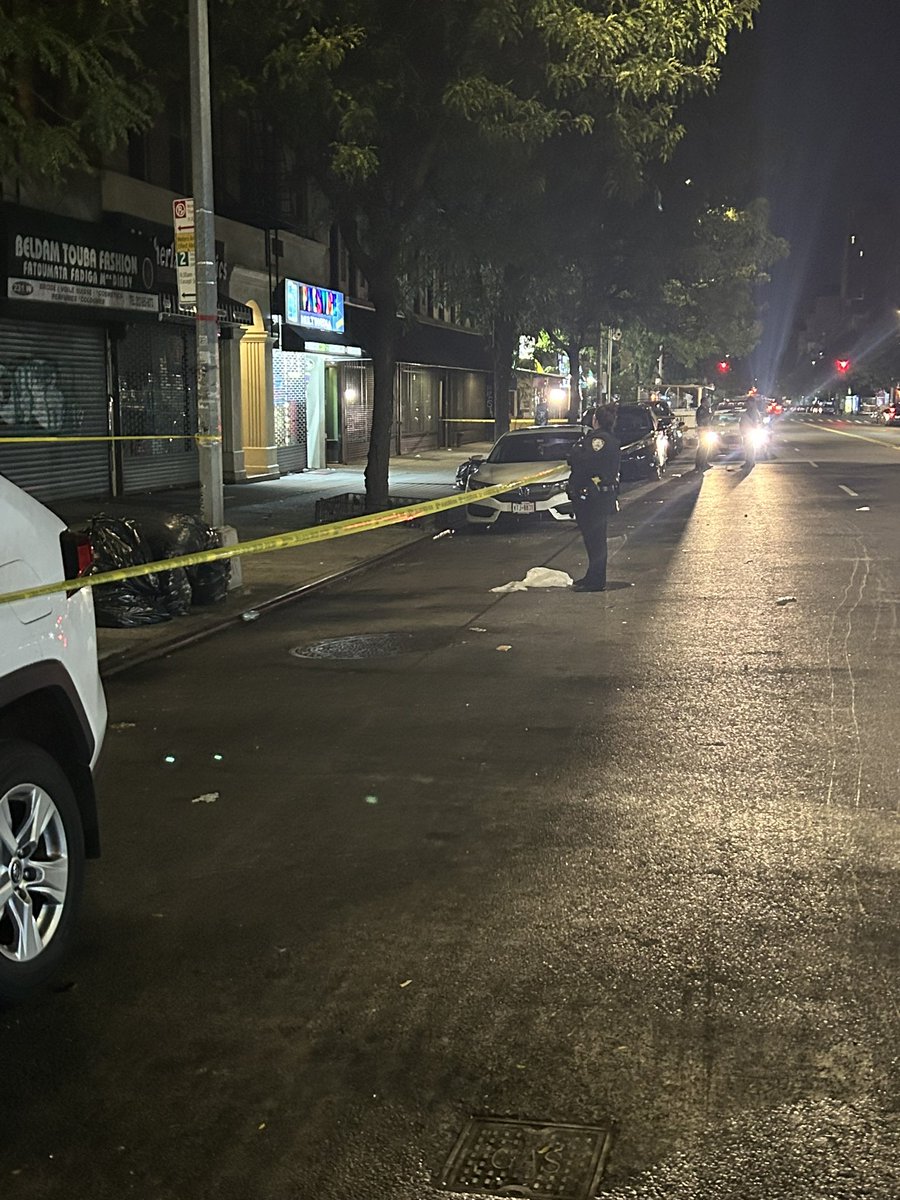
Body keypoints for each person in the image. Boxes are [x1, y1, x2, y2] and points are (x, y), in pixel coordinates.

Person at [566, 405, 621, 592]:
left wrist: (575, 453)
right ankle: (592, 575)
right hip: (598, 496)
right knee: (593, 540)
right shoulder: (609, 439)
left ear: (596, 420)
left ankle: (596, 580)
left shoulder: (599, 440)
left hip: (594, 498)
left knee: (595, 540)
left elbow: (583, 461)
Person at [739, 398, 762, 467]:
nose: (748, 404)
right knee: (747, 448)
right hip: (745, 433)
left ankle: (750, 462)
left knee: (750, 448)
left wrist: (746, 419)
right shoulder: (748, 411)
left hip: (750, 433)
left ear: (752, 403)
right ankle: (748, 461)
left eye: (749, 403)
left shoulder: (753, 411)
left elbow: (756, 422)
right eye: (747, 403)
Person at [694, 394, 713, 472]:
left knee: (705, 448)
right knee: (703, 448)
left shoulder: (704, 409)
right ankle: (701, 464)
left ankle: (704, 463)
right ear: (703, 402)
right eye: (707, 402)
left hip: (705, 430)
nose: (708, 403)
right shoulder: (701, 410)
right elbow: (703, 420)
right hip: (703, 431)